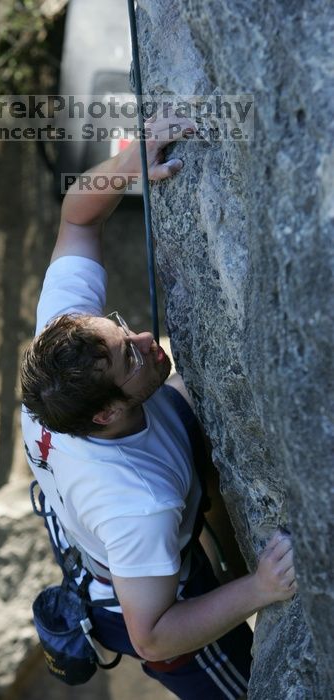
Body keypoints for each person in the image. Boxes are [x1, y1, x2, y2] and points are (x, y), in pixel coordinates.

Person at [20, 113, 297, 700]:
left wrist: (128, 163)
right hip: (142, 604)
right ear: (106, 414)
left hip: (113, 523)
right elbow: (155, 635)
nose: (147, 340)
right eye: (132, 360)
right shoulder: (137, 506)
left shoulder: (66, 345)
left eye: (123, 332)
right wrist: (262, 588)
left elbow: (77, 216)